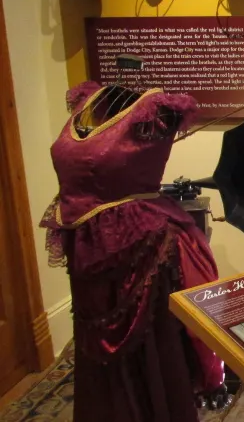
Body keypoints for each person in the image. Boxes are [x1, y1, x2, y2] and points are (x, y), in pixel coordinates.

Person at [40, 81, 225, 422]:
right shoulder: (87, 102)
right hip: (87, 248)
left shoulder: (157, 110)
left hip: (142, 249)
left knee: (153, 352)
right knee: (97, 360)